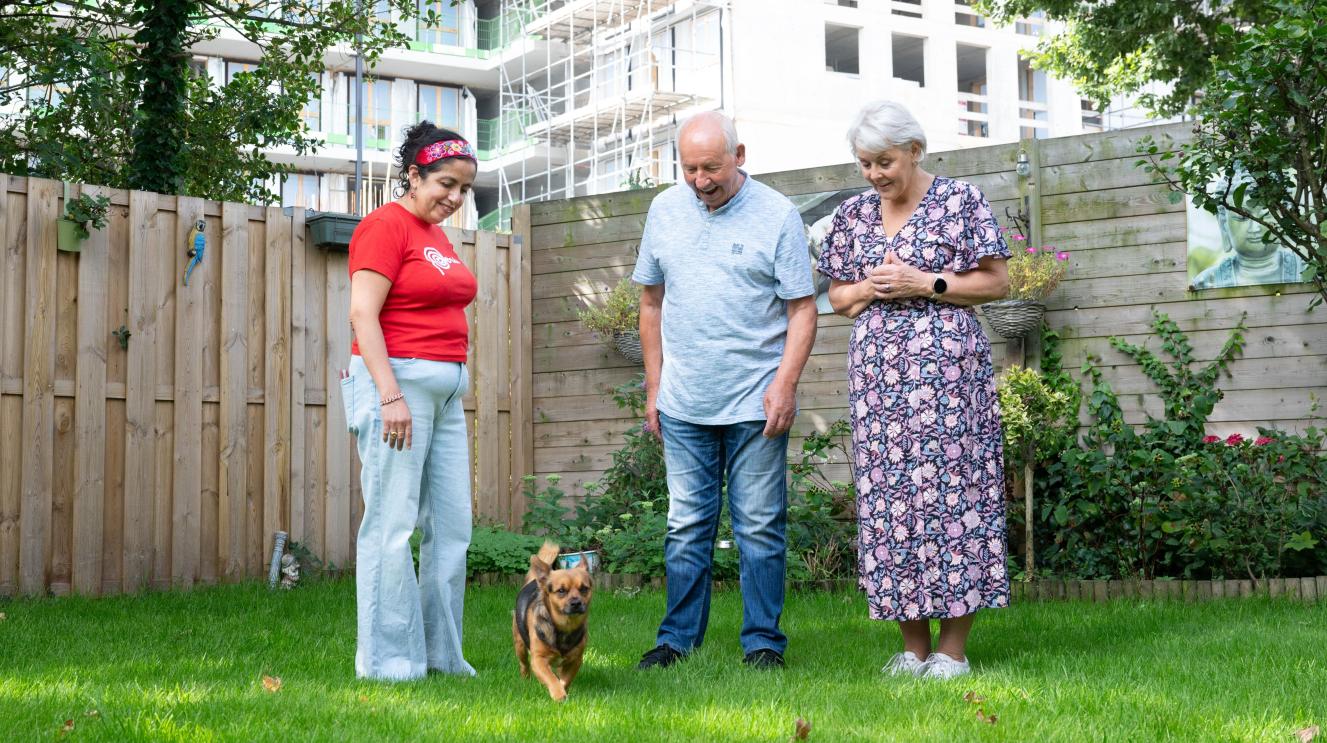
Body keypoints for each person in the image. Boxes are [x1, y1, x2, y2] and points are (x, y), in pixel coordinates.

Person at [816, 100, 1011, 680]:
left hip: (949, 379)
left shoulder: (960, 201)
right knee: (892, 502)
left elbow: (998, 280)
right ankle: (912, 647)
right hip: (880, 384)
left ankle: (953, 650)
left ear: (915, 151)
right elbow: (837, 298)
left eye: (885, 161)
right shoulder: (853, 216)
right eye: (865, 163)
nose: (875, 174)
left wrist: (927, 281)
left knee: (956, 497)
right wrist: (874, 288)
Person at [632, 112, 818, 671]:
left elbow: (802, 309)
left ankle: (762, 643)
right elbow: (650, 304)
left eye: (710, 167)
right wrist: (654, 384)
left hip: (755, 401)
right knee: (686, 525)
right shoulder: (664, 209)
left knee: (759, 525)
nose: (699, 180)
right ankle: (677, 640)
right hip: (684, 401)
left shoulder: (778, 215)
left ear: (739, 154)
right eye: (688, 168)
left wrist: (784, 385)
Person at [343, 121, 479, 681]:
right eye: (445, 183)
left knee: (452, 529)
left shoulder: (438, 238)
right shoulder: (384, 227)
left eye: (464, 189)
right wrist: (389, 393)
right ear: (413, 174)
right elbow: (361, 314)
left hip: (445, 392)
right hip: (396, 386)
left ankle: (443, 657)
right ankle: (389, 663)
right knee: (392, 527)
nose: (454, 198)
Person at [1190, 204, 1307, 289]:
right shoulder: (1208, 281)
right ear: (1223, 223)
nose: (1255, 228)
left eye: (1266, 215)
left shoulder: (1306, 273)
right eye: (1242, 217)